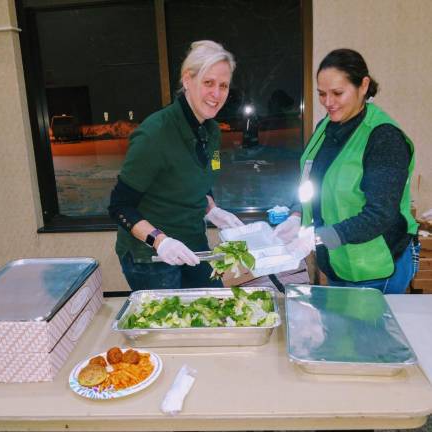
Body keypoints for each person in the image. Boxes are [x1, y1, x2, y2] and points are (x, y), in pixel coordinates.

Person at [274, 48, 419, 294]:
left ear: (363, 86)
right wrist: (297, 214)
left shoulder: (384, 137)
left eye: (337, 93)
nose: (328, 102)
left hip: (376, 266)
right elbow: (314, 182)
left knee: (371, 333)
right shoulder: (325, 128)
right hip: (338, 262)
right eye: (321, 94)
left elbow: (380, 214)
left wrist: (317, 238)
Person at [108, 40, 243, 291]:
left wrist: (211, 209)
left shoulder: (211, 131)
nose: (216, 94)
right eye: (208, 82)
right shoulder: (155, 134)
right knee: (170, 326)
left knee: (213, 308)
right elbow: (119, 206)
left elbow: (199, 180)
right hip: (150, 255)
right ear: (187, 80)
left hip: (193, 241)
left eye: (223, 85)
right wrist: (160, 241)